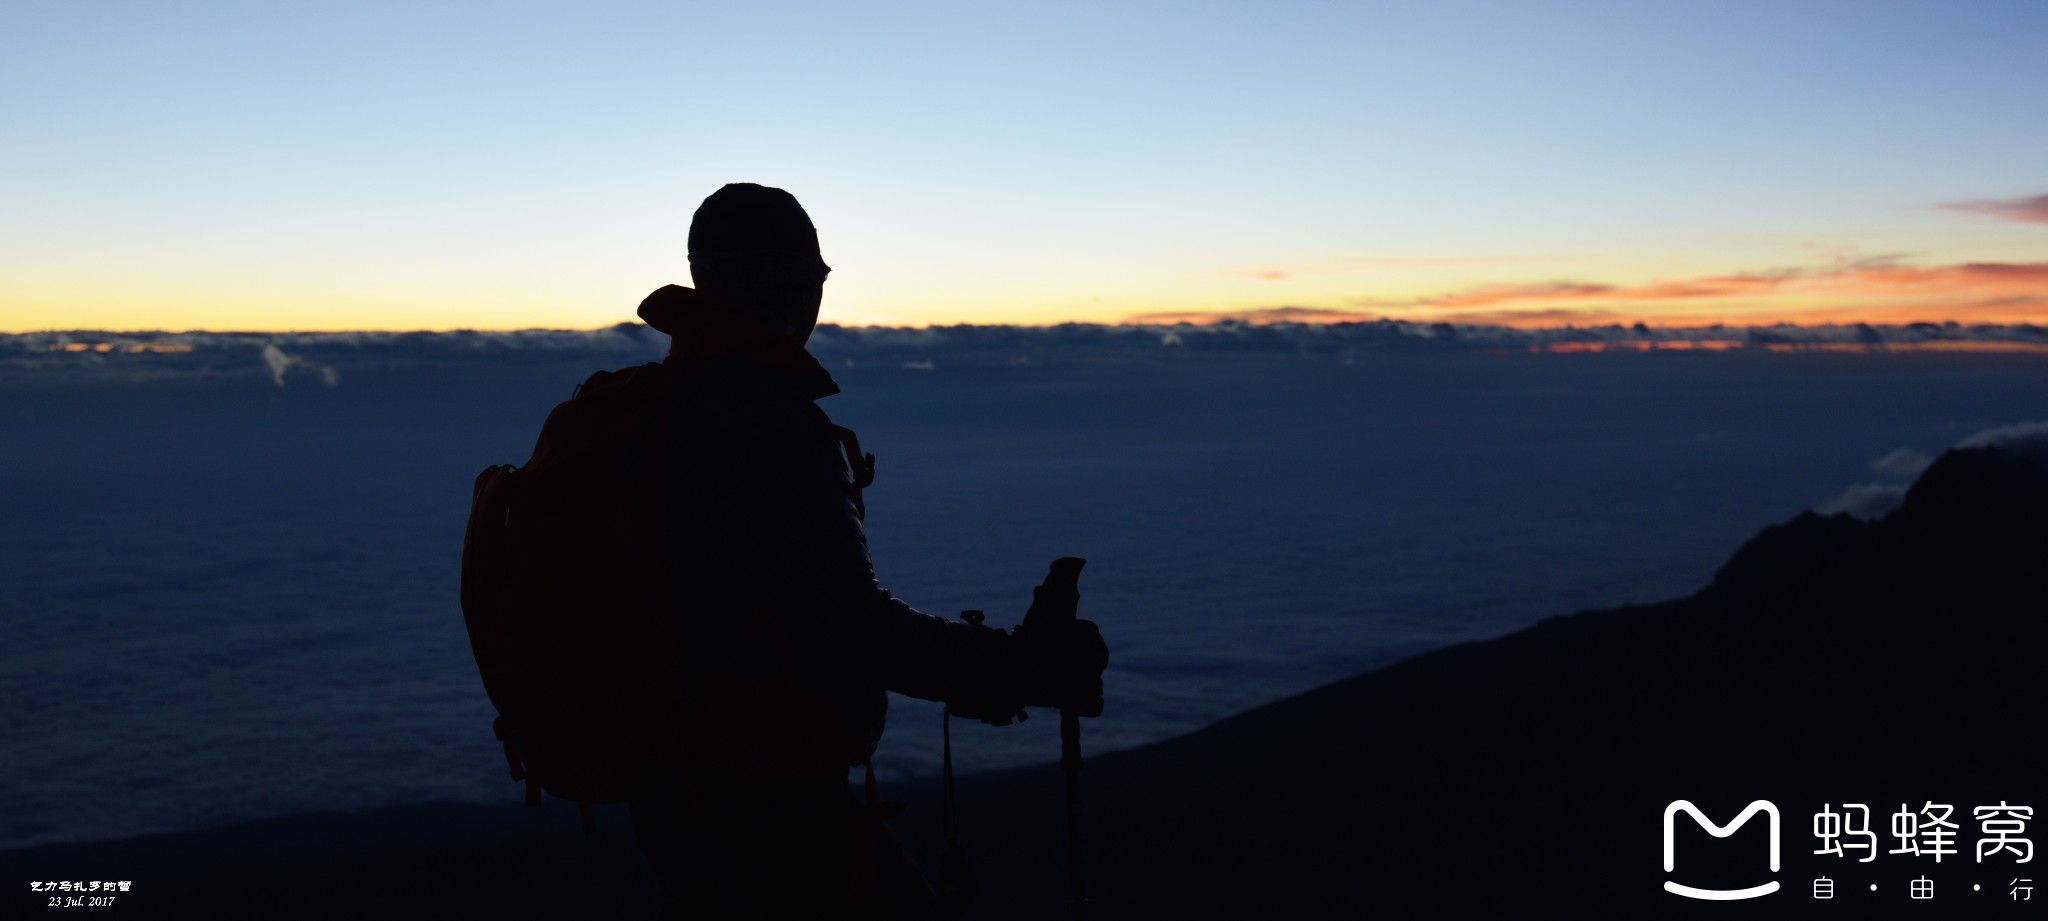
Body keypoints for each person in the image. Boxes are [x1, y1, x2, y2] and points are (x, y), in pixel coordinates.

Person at [622, 183, 1107, 919]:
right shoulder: (766, 425)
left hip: (678, 799)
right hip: (774, 814)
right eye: (813, 280)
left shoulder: (653, 412)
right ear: (794, 286)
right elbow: (845, 620)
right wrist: (1009, 666)